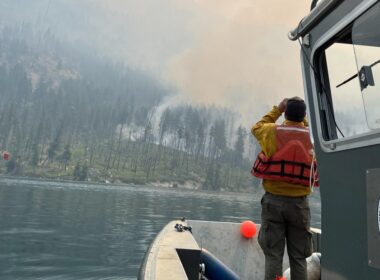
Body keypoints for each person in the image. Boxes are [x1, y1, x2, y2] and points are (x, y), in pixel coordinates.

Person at [251, 97, 318, 280]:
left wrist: (277, 109)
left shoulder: (272, 131)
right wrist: (302, 121)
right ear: (304, 115)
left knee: (273, 255)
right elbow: (305, 128)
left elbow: (256, 127)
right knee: (299, 257)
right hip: (299, 206)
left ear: (285, 113)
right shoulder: (312, 137)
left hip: (273, 202)